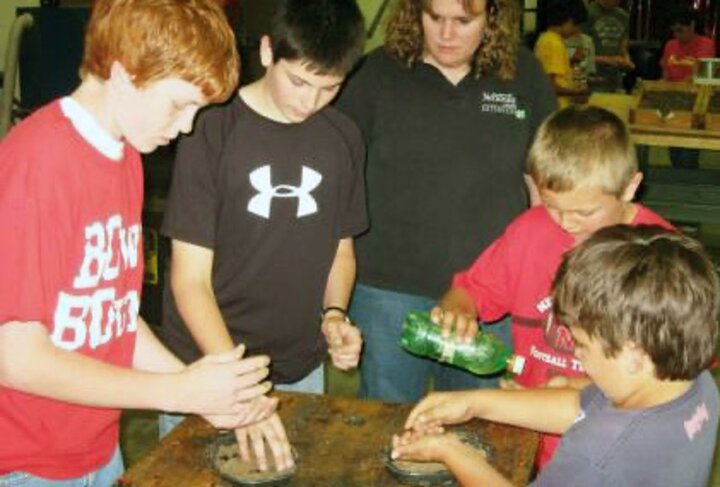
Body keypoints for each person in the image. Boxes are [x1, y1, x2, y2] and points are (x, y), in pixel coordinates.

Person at [0, 0, 278, 485]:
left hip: (97, 449)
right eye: (179, 104)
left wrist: (198, 393)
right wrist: (175, 395)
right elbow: (13, 357)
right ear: (124, 74)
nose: (188, 126)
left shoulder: (126, 157)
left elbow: (115, 315)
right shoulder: (38, 166)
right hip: (27, 464)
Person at [157, 0, 367, 468]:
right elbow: (189, 280)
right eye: (299, 82)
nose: (309, 102)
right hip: (208, 367)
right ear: (269, 51)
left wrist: (334, 314)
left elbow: (341, 249)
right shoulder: (210, 127)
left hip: (297, 367)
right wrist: (238, 388)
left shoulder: (343, 137)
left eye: (329, 88)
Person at [335, 0, 558, 404]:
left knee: (483, 433)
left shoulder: (524, 75)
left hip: (493, 296)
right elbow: (337, 181)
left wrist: (543, 277)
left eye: (463, 21)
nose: (446, 34)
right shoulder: (373, 75)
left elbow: (542, 188)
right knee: (389, 429)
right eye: (434, 18)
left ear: (492, 17)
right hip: (389, 292)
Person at [430, 105, 672, 468]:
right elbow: (472, 290)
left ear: (630, 187)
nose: (565, 223)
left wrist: (573, 392)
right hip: (533, 439)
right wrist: (459, 307)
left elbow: (672, 379)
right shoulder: (531, 229)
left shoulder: (662, 259)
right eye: (552, 205)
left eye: (584, 212)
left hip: (618, 447)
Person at [392, 225, 719, 487]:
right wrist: (476, 402)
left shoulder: (597, 455)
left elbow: (593, 426)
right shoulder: (692, 383)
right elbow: (582, 407)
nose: (576, 353)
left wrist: (452, 452)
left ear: (633, 355)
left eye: (581, 344)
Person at [660, 7, 715, 169]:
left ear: (691, 25)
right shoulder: (670, 45)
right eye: (674, 31)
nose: (677, 35)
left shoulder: (706, 44)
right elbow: (664, 71)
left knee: (688, 152)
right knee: (674, 149)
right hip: (672, 101)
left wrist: (680, 85)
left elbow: (701, 75)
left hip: (695, 101)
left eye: (680, 30)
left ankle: (688, 182)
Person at [534, 0, 591, 107]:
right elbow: (549, 86)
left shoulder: (547, 38)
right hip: (554, 107)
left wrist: (572, 61)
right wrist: (577, 94)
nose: (577, 31)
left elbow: (554, 73)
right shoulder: (553, 44)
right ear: (568, 21)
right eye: (576, 26)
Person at [583, 0, 634, 93]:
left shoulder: (623, 16)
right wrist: (608, 60)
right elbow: (577, 55)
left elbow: (623, 47)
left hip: (615, 81)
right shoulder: (587, 13)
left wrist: (626, 60)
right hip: (592, 82)